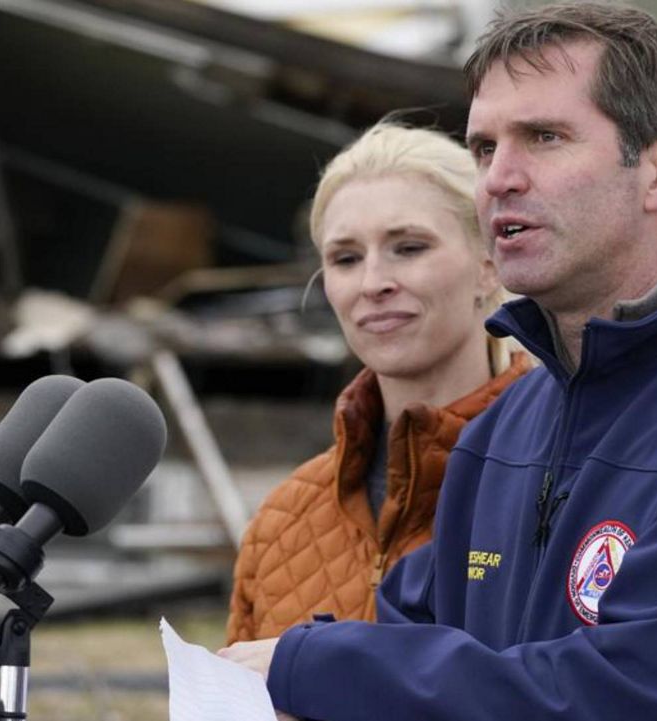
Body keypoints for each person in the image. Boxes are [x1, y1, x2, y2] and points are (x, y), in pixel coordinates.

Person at [221, 4, 657, 720]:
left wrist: (316, 664)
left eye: (543, 137)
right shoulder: (502, 432)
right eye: (484, 148)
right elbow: (407, 649)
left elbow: (631, 699)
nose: (500, 177)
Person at [225, 122, 531, 644]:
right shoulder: (282, 520)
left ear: (488, 266)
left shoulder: (555, 486)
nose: (373, 284)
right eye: (345, 259)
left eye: (409, 248)